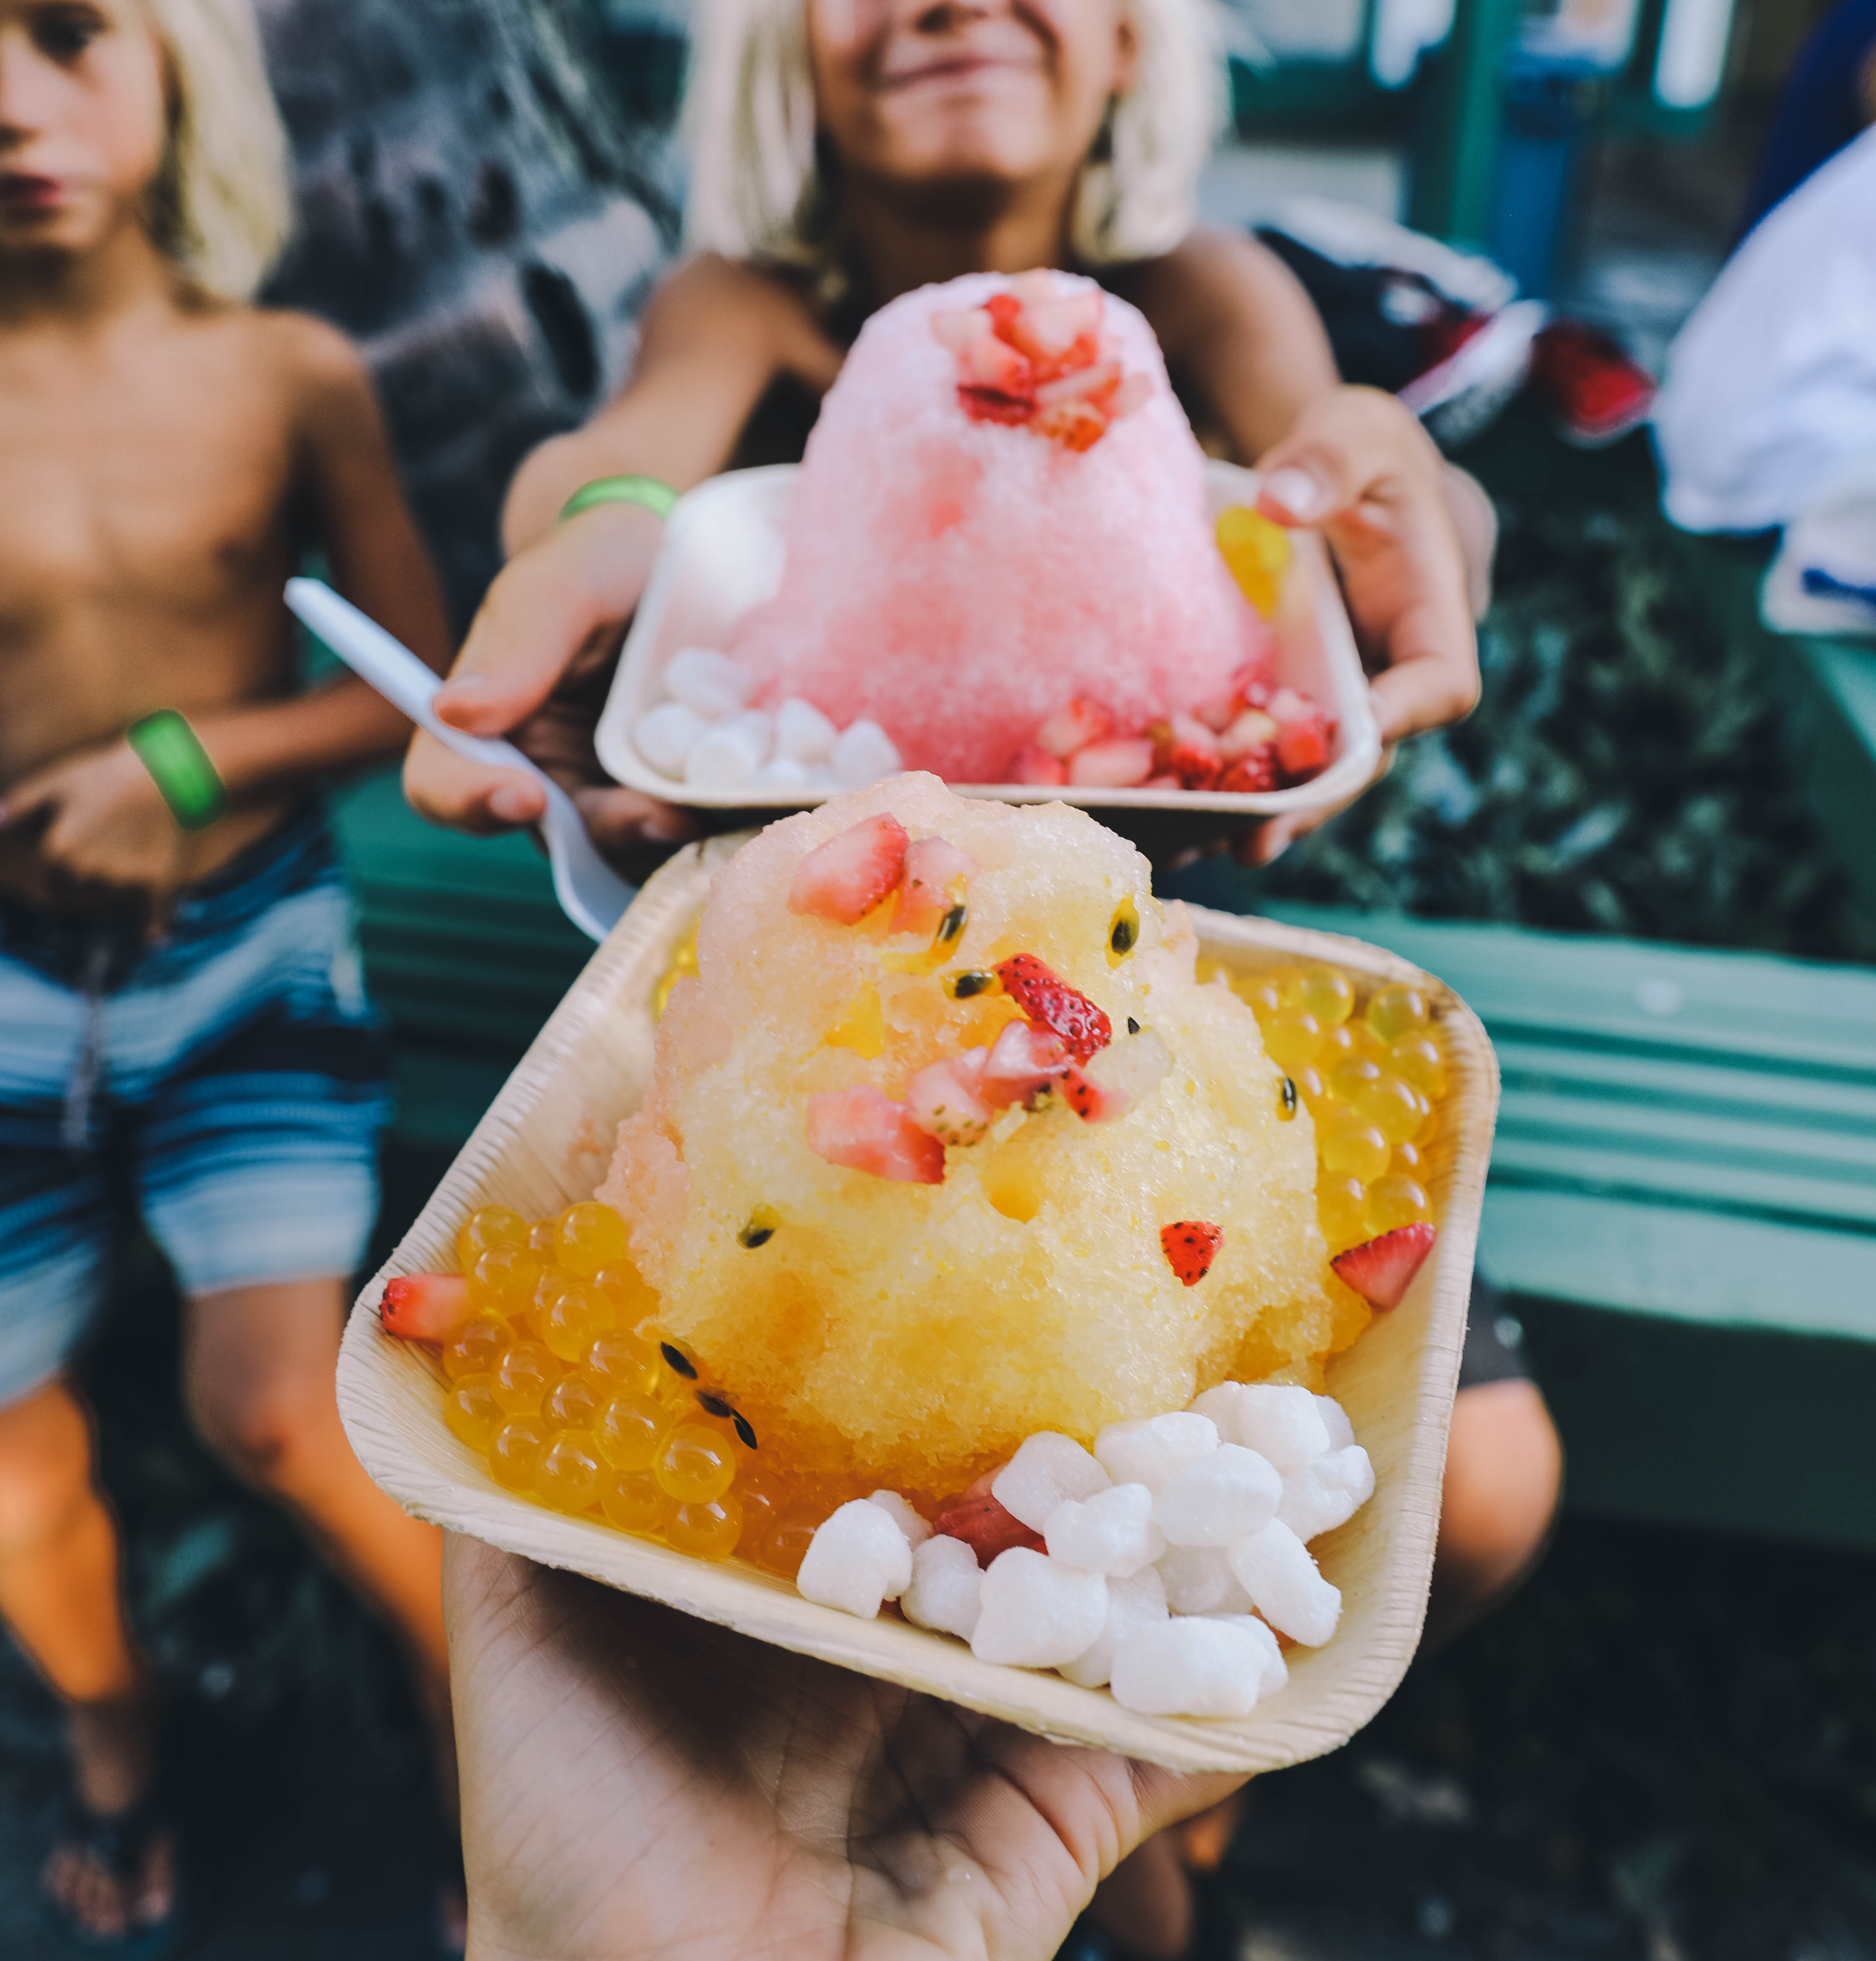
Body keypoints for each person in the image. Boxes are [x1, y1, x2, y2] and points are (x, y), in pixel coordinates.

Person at [401, 0, 1560, 1946]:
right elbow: (615, 469)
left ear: (1134, 44)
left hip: (1176, 1041)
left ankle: (1173, 1793)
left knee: (1489, 1484)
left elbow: (1348, 471)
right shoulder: (747, 307)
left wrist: (1403, 485)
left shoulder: (1197, 287)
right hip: (800, 1053)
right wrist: (597, 541)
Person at [0, 0, 457, 1946]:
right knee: (9, 1481)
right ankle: (116, 1742)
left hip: (248, 952)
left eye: (70, 34)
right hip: (9, 991)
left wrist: (184, 759)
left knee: (281, 1407)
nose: (14, 101)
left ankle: (489, 1759)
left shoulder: (288, 372)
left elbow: (414, 682)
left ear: (178, 61)